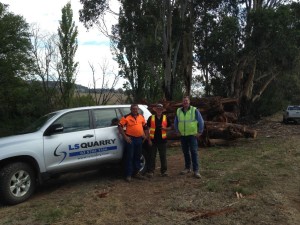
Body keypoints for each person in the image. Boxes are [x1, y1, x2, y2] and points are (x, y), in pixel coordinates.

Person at [174, 96, 204, 179]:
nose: (185, 102)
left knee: (194, 152)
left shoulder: (194, 110)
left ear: (189, 102)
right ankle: (187, 168)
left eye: (186, 101)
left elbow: (201, 121)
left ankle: (196, 171)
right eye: (184, 101)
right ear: (182, 102)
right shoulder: (179, 111)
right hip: (183, 135)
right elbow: (176, 121)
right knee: (185, 152)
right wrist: (177, 130)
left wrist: (200, 131)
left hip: (192, 135)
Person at [118, 104, 148, 182]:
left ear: (138, 109)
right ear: (131, 109)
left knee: (138, 156)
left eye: (136, 109)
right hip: (130, 139)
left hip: (139, 139)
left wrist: (146, 136)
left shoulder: (141, 117)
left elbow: (145, 126)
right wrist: (125, 137)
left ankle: (137, 173)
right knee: (129, 157)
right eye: (133, 109)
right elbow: (120, 126)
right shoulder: (126, 117)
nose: (135, 110)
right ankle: (128, 175)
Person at [146, 103, 172, 178]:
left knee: (163, 156)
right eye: (158, 109)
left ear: (162, 110)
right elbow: (147, 129)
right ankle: (151, 171)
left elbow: (170, 127)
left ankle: (164, 171)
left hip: (162, 141)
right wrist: (149, 140)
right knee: (152, 156)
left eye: (160, 109)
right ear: (156, 110)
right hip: (153, 140)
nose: (159, 110)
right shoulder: (151, 117)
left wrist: (165, 129)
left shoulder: (165, 117)